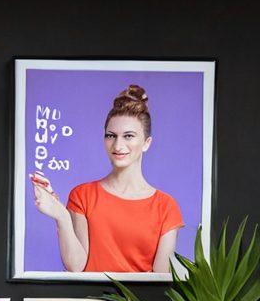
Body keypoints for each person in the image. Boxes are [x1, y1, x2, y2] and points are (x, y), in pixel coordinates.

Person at [29, 84, 184, 274]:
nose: (118, 145)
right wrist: (61, 216)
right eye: (111, 136)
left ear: (146, 143)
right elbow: (76, 266)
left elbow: (161, 280)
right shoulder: (82, 195)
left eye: (129, 136)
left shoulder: (166, 206)